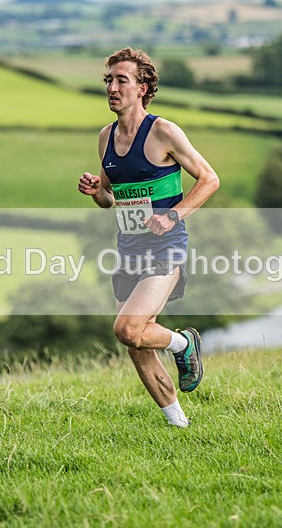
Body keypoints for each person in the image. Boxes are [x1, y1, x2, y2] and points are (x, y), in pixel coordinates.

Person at [77, 47, 220, 428]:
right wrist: (96, 192)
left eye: (121, 79)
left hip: (165, 248)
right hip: (128, 251)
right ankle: (179, 426)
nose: (112, 87)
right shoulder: (105, 138)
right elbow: (110, 199)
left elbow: (209, 179)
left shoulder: (163, 132)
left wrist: (174, 215)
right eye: (108, 79)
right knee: (136, 344)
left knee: (127, 329)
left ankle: (183, 344)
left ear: (142, 87)